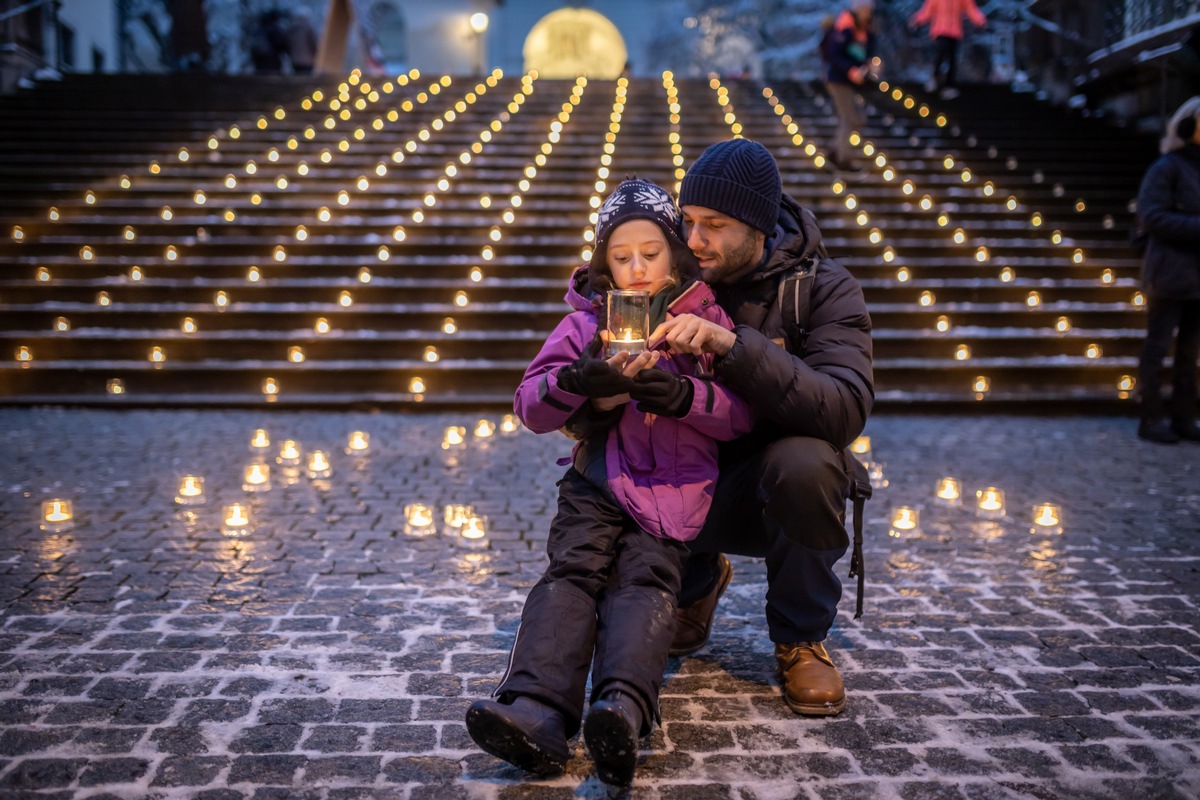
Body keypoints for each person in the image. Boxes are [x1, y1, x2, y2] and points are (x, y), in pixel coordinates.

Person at [465, 179, 754, 787]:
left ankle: (622, 706)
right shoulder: (584, 324)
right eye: (621, 257)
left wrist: (682, 395)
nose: (637, 267)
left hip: (675, 492)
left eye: (651, 252)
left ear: (675, 253)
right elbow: (530, 404)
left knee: (644, 583)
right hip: (598, 480)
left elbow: (739, 414)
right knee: (572, 572)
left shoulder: (704, 321)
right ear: (604, 264)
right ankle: (537, 709)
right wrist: (580, 381)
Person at [652, 138, 873, 716]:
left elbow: (845, 407)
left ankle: (801, 639)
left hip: (773, 488)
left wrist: (735, 348)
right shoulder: (665, 278)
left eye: (715, 225)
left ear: (757, 225)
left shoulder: (823, 289)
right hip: (685, 476)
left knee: (806, 463)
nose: (694, 240)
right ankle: (694, 589)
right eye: (688, 221)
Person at [1134, 96, 1200, 444]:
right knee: (1158, 347)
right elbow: (1152, 216)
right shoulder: (1167, 167)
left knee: (1190, 352)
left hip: (1196, 277)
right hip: (1169, 273)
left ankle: (1184, 418)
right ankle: (1151, 417)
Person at [822, 0, 876, 177]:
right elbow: (834, 53)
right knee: (850, 118)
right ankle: (842, 159)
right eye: (865, 10)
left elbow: (865, 53)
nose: (868, 13)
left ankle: (835, 153)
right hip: (838, 80)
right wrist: (851, 69)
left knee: (854, 118)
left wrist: (869, 66)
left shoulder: (865, 29)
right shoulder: (845, 26)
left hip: (850, 82)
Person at [909, 0, 987, 99]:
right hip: (940, 31)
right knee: (941, 52)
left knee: (952, 58)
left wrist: (981, 20)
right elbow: (926, 12)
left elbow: (971, 10)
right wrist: (917, 20)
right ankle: (935, 77)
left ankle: (949, 86)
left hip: (954, 32)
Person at [285, 7, 318, 74]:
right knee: (306, 80)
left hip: (294, 60)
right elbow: (313, 42)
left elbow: (286, 43)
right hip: (307, 60)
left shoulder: (291, 27)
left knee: (297, 78)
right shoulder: (308, 27)